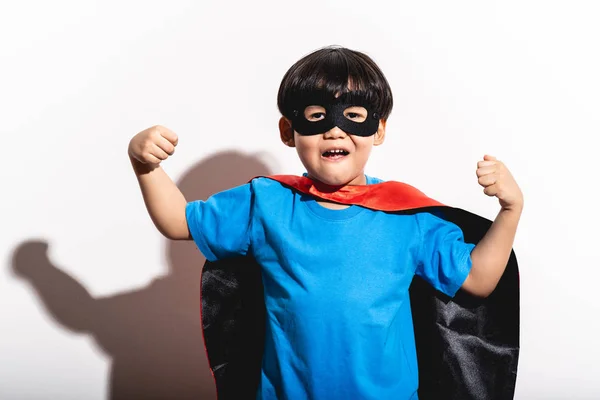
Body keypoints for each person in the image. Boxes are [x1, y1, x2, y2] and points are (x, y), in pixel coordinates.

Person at [128, 45, 523, 399]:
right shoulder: (266, 204)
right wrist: (144, 165)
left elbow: (477, 279)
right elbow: (180, 221)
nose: (335, 128)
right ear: (289, 131)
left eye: (354, 116)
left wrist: (510, 210)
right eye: (317, 116)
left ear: (379, 129)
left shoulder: (407, 214)